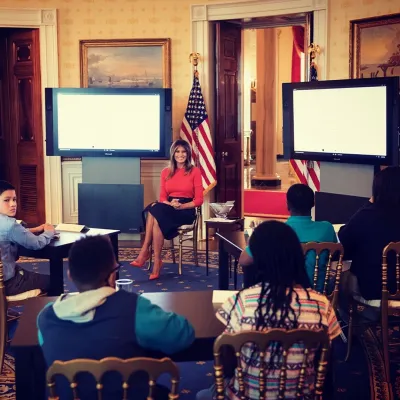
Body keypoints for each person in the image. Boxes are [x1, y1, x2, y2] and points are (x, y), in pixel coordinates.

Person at [37, 235, 195, 399]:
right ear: (112, 275)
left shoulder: (46, 318)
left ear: (70, 275)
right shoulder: (133, 308)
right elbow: (183, 335)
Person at [197, 221, 341, 400]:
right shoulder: (321, 305)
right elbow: (325, 364)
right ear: (297, 256)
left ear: (257, 259)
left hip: (247, 395)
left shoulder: (241, 302)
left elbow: (227, 363)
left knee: (203, 395)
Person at [239, 183, 337, 291]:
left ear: (288, 205)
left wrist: (252, 242)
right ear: (313, 204)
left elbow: (244, 260)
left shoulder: (275, 232)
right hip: (319, 292)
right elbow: (334, 256)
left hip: (286, 293)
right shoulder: (327, 228)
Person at [130, 139, 203, 280]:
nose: (180, 155)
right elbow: (163, 197)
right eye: (177, 151)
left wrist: (181, 206)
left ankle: (145, 251)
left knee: (154, 209)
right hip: (169, 206)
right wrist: (171, 204)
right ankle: (156, 260)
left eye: (183, 151)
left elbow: (199, 200)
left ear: (188, 153)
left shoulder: (195, 171)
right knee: (156, 210)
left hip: (186, 209)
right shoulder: (165, 172)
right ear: (173, 153)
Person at [338, 166, 400, 304]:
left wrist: (368, 203)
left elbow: (344, 245)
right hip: (391, 292)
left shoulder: (366, 216)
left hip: (372, 292)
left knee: (338, 281)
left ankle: (348, 316)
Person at [0, 180, 55, 296]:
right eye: (7, 200)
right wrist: (49, 232)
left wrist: (34, 230)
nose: (13, 204)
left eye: (14, 199)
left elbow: (9, 235)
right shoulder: (10, 225)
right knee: (55, 280)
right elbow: (37, 243)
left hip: (7, 275)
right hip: (8, 284)